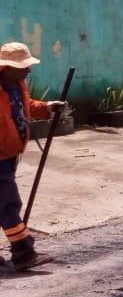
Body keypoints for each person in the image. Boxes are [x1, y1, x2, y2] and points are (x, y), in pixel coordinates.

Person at [0, 42, 64, 270]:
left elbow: (24, 106)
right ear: (7, 68)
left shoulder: (17, 85)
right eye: (23, 66)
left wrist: (47, 107)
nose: (28, 70)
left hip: (9, 154)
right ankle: (24, 253)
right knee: (8, 203)